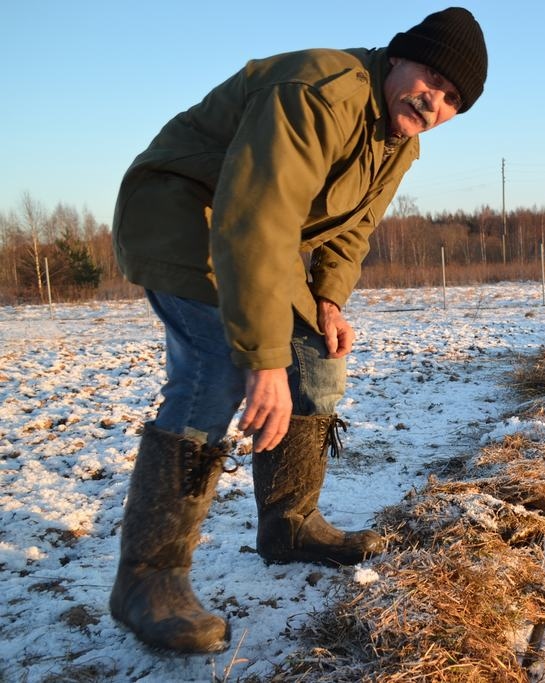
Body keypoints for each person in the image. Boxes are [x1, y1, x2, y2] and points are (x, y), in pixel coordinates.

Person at [107, 7, 487, 654]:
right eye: (431, 76)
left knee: (316, 356)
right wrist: (262, 361)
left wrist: (329, 302)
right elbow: (254, 216)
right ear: (398, 57)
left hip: (258, 236)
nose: (435, 100)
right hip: (180, 209)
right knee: (218, 365)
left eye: (454, 99)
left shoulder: (398, 140)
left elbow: (350, 228)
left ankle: (289, 523)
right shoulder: (320, 92)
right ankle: (148, 581)